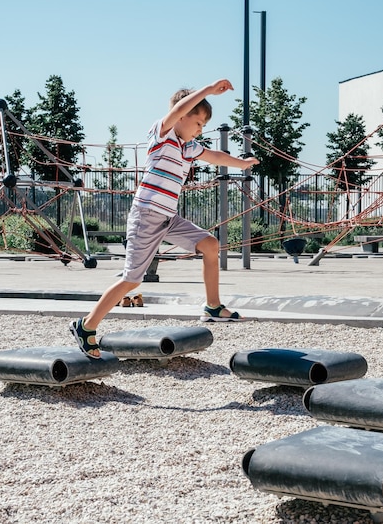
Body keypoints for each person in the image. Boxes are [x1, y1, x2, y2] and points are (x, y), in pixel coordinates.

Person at [70, 79, 259, 358]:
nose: (201, 129)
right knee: (132, 280)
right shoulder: (162, 135)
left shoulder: (189, 147)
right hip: (146, 216)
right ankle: (86, 326)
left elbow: (214, 155)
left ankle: (213, 306)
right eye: (198, 122)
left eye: (204, 125)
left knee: (209, 244)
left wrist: (241, 164)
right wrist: (207, 91)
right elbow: (178, 109)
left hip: (168, 218)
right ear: (181, 116)